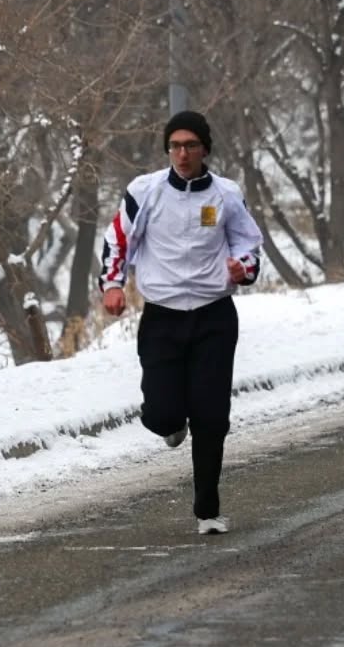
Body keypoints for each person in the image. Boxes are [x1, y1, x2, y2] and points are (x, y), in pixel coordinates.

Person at [100, 109, 263, 533]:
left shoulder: (226, 194)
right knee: (161, 412)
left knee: (212, 416)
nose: (182, 152)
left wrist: (242, 267)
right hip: (163, 317)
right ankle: (170, 425)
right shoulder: (146, 191)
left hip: (213, 316)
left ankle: (207, 511)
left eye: (191, 145)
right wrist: (113, 286)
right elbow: (118, 239)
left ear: (205, 148)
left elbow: (249, 242)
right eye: (175, 145)